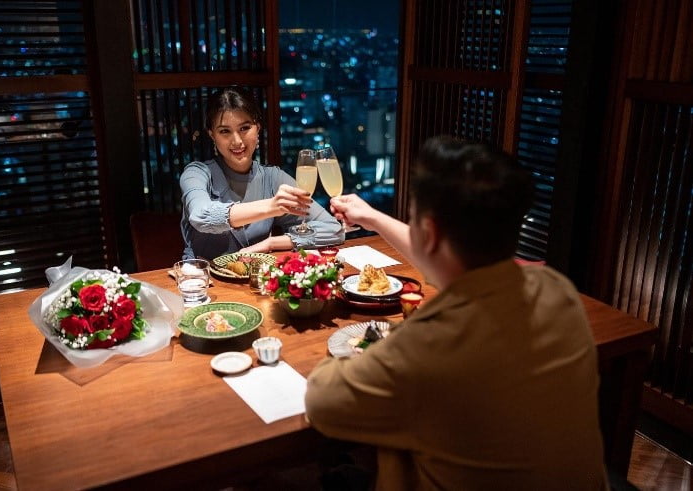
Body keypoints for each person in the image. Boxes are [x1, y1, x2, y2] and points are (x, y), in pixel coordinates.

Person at [305, 136, 609, 490]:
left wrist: (361, 351)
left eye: (414, 217)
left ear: (430, 233)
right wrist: (374, 217)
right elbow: (442, 257)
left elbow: (322, 402)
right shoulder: (557, 290)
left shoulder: (428, 347)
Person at [179, 87, 344, 259]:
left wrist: (270, 243)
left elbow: (333, 230)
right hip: (202, 280)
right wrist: (273, 206)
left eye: (244, 128)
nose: (237, 141)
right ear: (212, 135)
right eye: (224, 131)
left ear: (257, 129)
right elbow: (201, 216)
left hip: (256, 281)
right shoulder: (196, 174)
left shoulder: (272, 178)